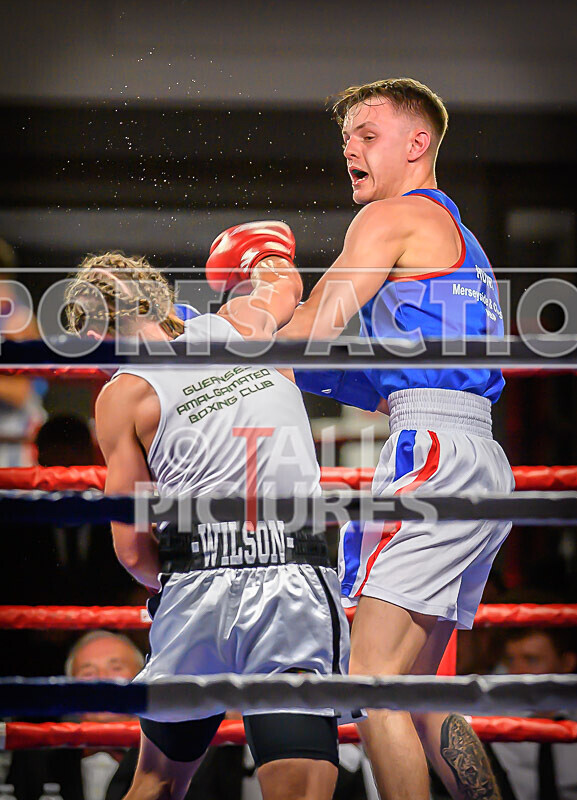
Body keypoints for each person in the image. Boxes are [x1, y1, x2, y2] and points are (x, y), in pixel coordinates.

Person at [208, 78, 512, 799]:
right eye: (344, 138)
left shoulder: (392, 216)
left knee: (370, 683)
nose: (349, 148)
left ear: (418, 143)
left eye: (366, 134)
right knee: (425, 696)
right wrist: (276, 365)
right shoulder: (460, 245)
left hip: (431, 457)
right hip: (477, 457)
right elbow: (371, 384)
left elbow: (314, 327)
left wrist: (221, 335)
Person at [64, 246, 350, 800]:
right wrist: (260, 250)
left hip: (195, 591)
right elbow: (283, 278)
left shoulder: (121, 396)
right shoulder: (243, 323)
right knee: (300, 784)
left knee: (156, 781)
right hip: (289, 580)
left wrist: (172, 579)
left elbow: (130, 550)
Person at [488, 628, 577, 800]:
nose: (517, 671)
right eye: (511, 660)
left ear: (567, 663)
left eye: (531, 659)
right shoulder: (494, 724)